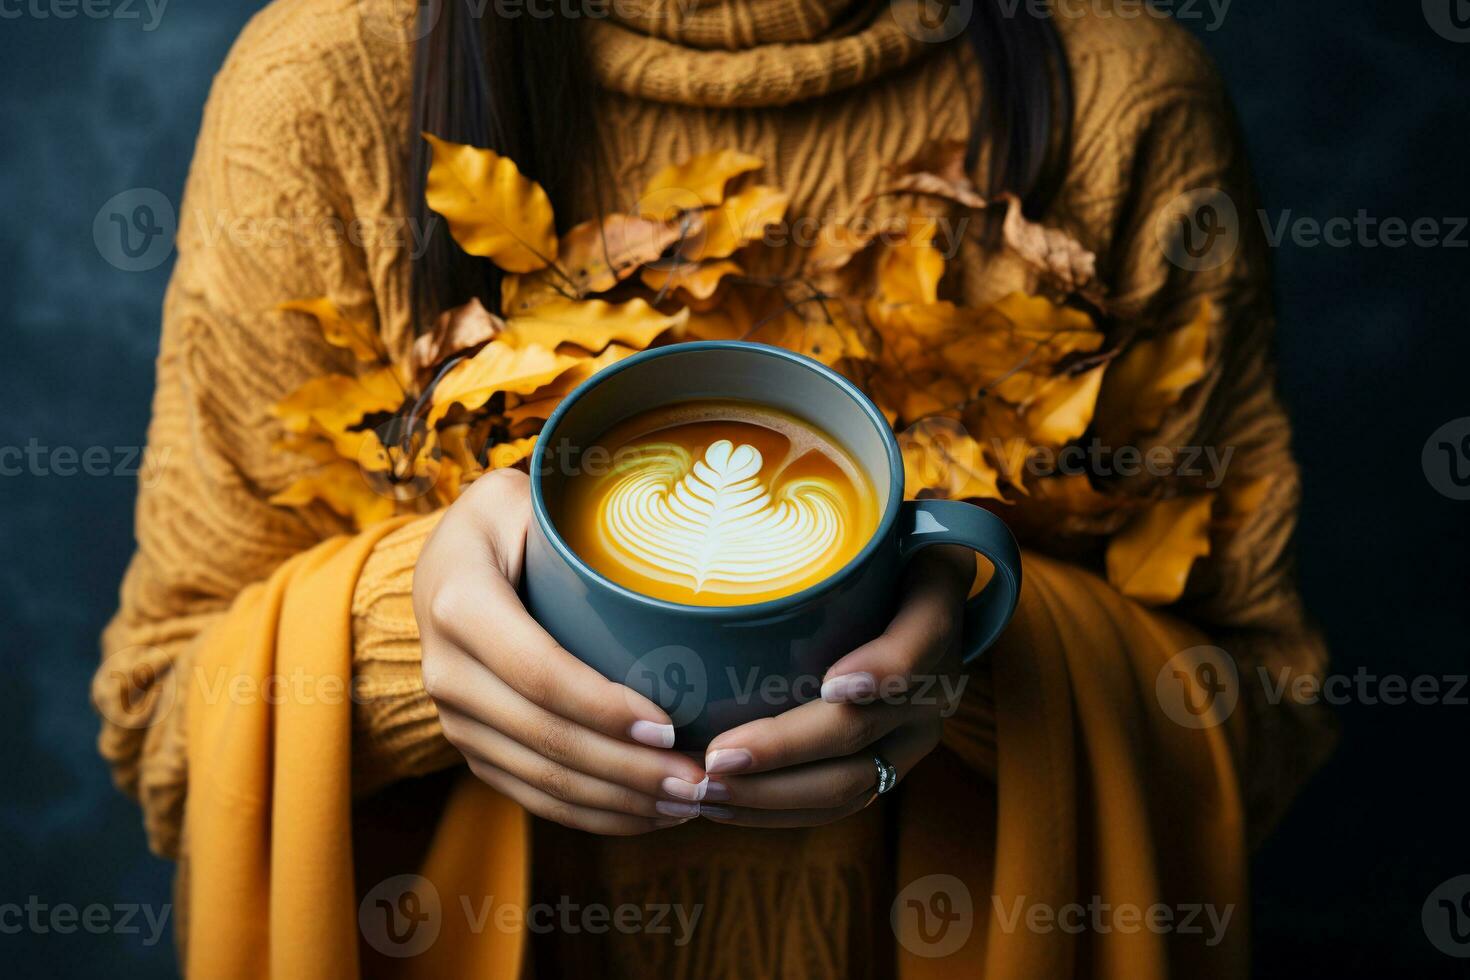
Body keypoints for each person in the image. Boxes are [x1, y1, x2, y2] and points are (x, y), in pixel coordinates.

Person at [94, 1, 1334, 976]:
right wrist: (402, 639)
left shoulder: (1123, 100)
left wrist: (970, 661)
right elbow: (163, 736)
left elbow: (1258, 729)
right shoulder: (327, 88)